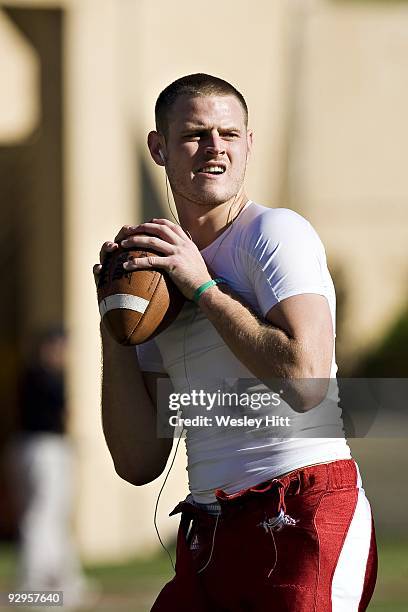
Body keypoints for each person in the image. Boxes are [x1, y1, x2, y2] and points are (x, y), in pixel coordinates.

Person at [94, 74, 377, 611]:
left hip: (301, 511)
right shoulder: (160, 276)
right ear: (158, 148)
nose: (215, 147)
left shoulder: (273, 232)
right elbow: (138, 462)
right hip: (210, 527)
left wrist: (203, 288)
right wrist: (115, 324)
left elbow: (307, 381)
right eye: (196, 134)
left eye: (229, 133)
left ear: (249, 144)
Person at [10, 328, 94, 609]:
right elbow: (63, 413)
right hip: (42, 449)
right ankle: (38, 583)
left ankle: (60, 581)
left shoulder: (40, 376)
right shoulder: (40, 376)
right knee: (43, 514)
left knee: (53, 515)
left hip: (41, 448)